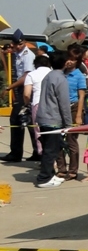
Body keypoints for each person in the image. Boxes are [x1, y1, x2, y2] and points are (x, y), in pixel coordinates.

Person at [34, 51, 72, 188]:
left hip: (44, 116)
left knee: (50, 149)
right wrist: (68, 124)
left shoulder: (49, 76)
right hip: (53, 119)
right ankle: (44, 178)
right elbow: (64, 104)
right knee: (51, 150)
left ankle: (50, 175)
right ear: (65, 63)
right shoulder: (60, 79)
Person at [2, 30, 40, 163]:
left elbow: (26, 76)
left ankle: (16, 153)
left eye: (21, 44)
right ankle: (37, 151)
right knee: (29, 121)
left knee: (16, 119)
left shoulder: (27, 55)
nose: (18, 46)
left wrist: (9, 87)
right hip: (21, 88)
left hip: (26, 89)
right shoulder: (17, 53)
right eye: (16, 44)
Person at [56, 51, 86, 180]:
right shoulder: (60, 73)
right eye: (68, 58)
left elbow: (81, 96)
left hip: (73, 108)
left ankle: (73, 170)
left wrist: (79, 115)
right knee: (57, 139)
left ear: (77, 62)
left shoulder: (79, 75)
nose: (70, 61)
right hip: (59, 108)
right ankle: (61, 168)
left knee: (71, 140)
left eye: (73, 60)